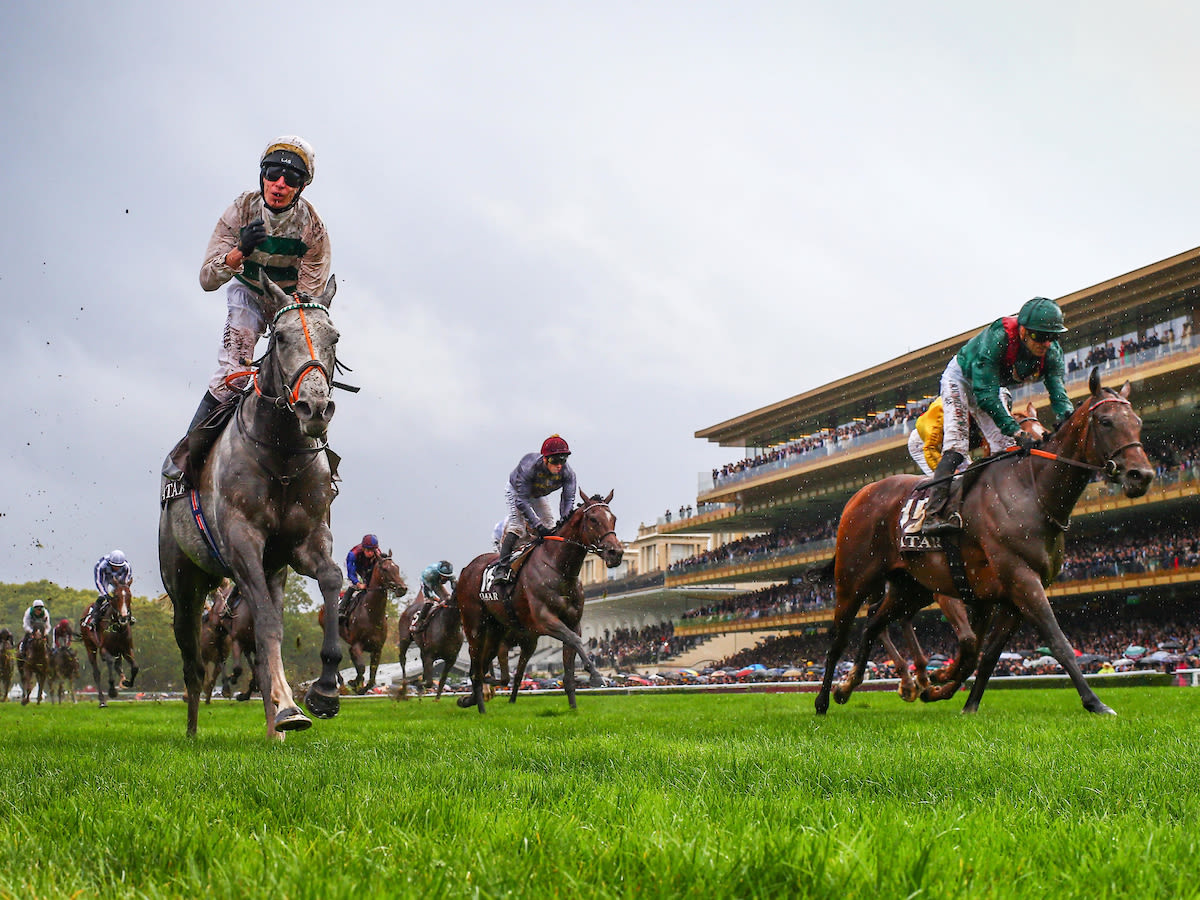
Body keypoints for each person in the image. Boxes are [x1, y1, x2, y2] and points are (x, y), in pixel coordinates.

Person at [164, 135, 331, 482]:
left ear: (302, 186)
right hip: (250, 295)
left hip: (290, 303)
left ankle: (320, 464)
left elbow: (308, 296)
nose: (280, 184)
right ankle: (188, 459)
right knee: (231, 375)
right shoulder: (240, 210)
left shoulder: (313, 228)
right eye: (273, 173)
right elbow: (207, 279)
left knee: (306, 371)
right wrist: (238, 251)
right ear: (262, 175)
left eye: (292, 179)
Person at [922, 297, 1073, 534]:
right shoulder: (999, 337)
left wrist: (1068, 419)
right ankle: (933, 513)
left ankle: (1000, 506)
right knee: (957, 445)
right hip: (962, 378)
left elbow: (1057, 390)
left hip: (992, 384)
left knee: (1006, 447)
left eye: (1053, 337)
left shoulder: (1051, 352)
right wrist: (1014, 428)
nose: (1046, 343)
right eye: (1040, 337)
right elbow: (985, 395)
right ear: (1023, 331)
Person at [494, 435, 578, 584]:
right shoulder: (529, 468)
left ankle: (548, 566)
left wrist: (565, 518)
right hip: (518, 493)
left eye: (563, 460)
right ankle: (501, 569)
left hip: (538, 494)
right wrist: (537, 526)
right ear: (545, 459)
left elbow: (568, 499)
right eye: (555, 461)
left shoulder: (568, 473)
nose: (559, 465)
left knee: (551, 526)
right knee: (517, 527)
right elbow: (522, 501)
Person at [84, 549, 133, 630]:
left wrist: (122, 589)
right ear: (110, 563)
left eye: (119, 567)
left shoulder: (127, 567)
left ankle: (129, 615)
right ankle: (94, 618)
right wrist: (105, 594)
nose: (117, 568)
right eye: (114, 566)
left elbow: (125, 584)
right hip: (105, 578)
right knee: (102, 596)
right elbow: (98, 582)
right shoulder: (101, 566)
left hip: (119, 578)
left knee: (123, 596)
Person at [340, 534, 381, 619]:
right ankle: (341, 609)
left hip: (367, 567)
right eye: (368, 550)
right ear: (363, 548)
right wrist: (358, 584)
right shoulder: (353, 554)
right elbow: (351, 574)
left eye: (372, 550)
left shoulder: (378, 554)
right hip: (354, 566)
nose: (370, 553)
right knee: (353, 585)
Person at [412, 561, 455, 633]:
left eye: (447, 577)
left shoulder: (452, 575)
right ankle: (420, 622)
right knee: (429, 602)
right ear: (439, 573)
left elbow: (455, 587)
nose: (445, 579)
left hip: (437, 582)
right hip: (427, 583)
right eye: (444, 576)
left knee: (448, 599)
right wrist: (439, 601)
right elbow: (429, 594)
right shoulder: (429, 574)